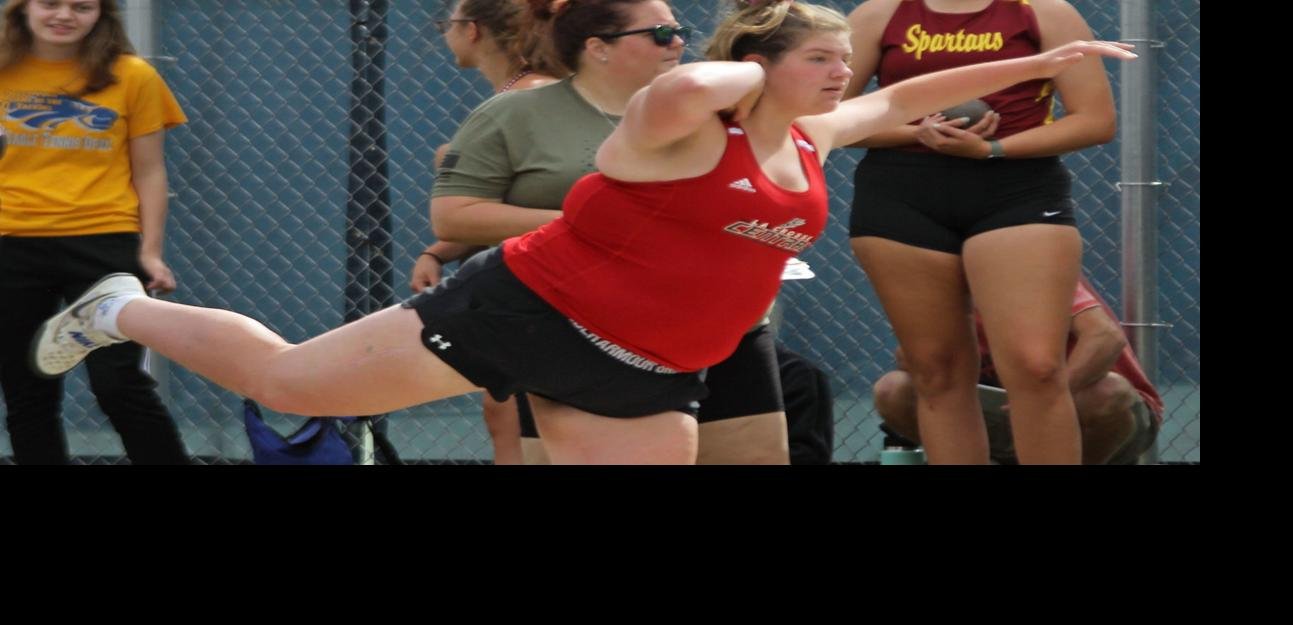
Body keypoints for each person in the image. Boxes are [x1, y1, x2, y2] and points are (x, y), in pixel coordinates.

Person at [28, 0, 1134, 465]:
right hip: (522, 310)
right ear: (758, 63)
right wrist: (748, 62)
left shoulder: (814, 137)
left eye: (838, 64)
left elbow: (893, 105)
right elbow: (687, 81)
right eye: (818, 58)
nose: (841, 73)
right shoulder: (670, 123)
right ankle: (119, 310)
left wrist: (1036, 66)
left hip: (650, 369)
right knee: (293, 386)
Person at [432, 0, 800, 465]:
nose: (680, 42)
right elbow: (454, 215)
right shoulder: (516, 112)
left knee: (756, 457)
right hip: (580, 328)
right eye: (661, 34)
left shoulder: (717, 110)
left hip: (719, 324)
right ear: (598, 48)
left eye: (679, 30)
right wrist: (602, 225)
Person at [843, 0, 1119, 464]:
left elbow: (1095, 120)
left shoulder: (1044, 12)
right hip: (902, 195)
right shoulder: (879, 14)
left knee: (1037, 368)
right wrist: (918, 132)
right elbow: (829, 117)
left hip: (1016, 190)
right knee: (936, 371)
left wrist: (992, 149)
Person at [0, 0, 189, 464]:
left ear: (102, 15)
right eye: (50, 4)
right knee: (27, 390)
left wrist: (150, 253)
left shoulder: (133, 76)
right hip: (11, 245)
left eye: (81, 7)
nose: (64, 16)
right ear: (22, 9)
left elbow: (149, 173)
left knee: (120, 384)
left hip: (104, 245)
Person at [413, 0, 562, 464]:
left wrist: (449, 165)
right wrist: (438, 253)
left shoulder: (528, 98)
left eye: (448, 23)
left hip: (549, 294)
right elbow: (512, 202)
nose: (445, 33)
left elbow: (552, 202)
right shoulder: (521, 95)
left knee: (520, 422)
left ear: (472, 30)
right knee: (504, 414)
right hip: (531, 287)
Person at [874, 277, 1162, 464]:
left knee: (1107, 392)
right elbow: (911, 361)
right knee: (894, 391)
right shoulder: (936, 282)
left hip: (1098, 415)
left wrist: (1047, 397)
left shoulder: (1028, 265)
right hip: (1008, 410)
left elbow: (1105, 337)